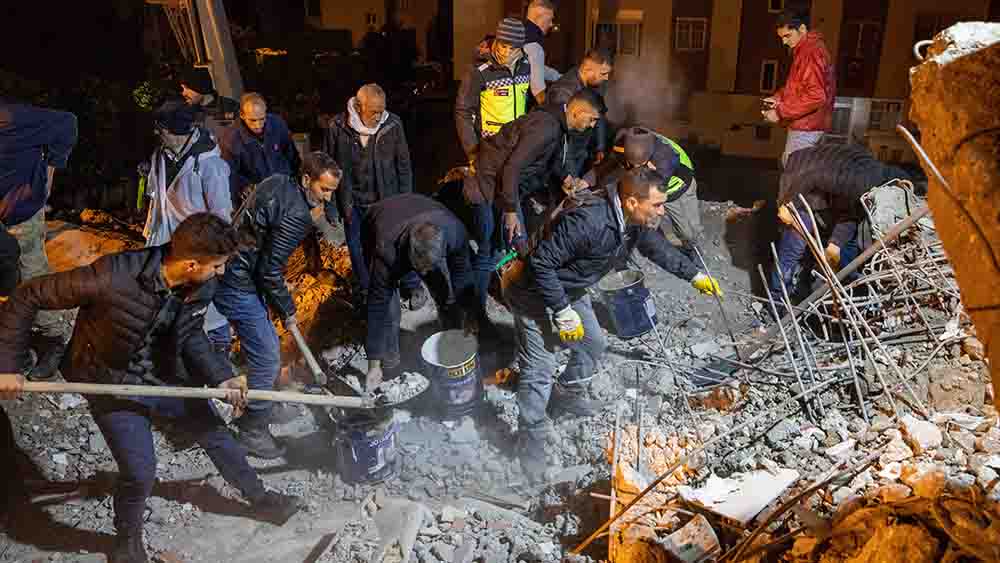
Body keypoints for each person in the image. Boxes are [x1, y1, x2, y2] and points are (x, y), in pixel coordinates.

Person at [0, 214, 303, 563]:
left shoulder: (200, 285)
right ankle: (126, 541)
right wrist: (7, 365)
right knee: (140, 471)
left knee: (217, 434)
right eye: (217, 266)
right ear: (191, 264)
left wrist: (223, 376)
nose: (221, 272)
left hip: (163, 377)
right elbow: (28, 295)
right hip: (109, 382)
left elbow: (190, 334)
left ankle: (260, 498)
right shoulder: (112, 276)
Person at [500, 168, 722, 481]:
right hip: (532, 290)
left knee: (593, 344)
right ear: (632, 202)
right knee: (540, 369)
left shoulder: (632, 218)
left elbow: (654, 246)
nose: (662, 211)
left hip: (570, 286)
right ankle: (530, 448)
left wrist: (693, 274)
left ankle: (566, 395)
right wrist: (562, 311)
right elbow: (541, 263)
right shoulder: (588, 222)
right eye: (657, 205)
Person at [214, 151, 339, 459]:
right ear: (306, 180)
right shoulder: (297, 215)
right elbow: (269, 271)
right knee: (269, 358)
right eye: (324, 190)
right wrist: (287, 309)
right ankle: (253, 429)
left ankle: (262, 402)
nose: (327, 198)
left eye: (332, 191)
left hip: (233, 266)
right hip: (239, 283)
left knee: (264, 344)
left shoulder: (276, 181)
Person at [442, 91, 601, 318]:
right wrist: (509, 210)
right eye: (592, 119)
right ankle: (477, 312)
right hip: (488, 183)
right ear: (577, 112)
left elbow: (551, 158)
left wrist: (566, 178)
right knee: (493, 248)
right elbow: (512, 167)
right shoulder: (546, 128)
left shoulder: (557, 123)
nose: (592, 125)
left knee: (506, 244)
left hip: (503, 186)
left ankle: (509, 291)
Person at [142, 99, 234, 352]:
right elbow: (155, 198)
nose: (157, 133)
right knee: (171, 309)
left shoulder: (210, 165)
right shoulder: (161, 156)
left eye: (161, 129)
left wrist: (219, 257)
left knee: (207, 311)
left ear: (176, 131)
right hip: (167, 244)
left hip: (198, 250)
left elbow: (221, 214)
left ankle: (220, 352)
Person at [362, 193, 477, 388]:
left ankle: (452, 342)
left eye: (427, 267)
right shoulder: (385, 251)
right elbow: (376, 307)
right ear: (409, 252)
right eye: (419, 267)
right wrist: (373, 364)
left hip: (424, 209)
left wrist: (470, 313)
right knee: (389, 312)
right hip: (377, 220)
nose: (423, 273)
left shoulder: (454, 232)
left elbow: (462, 274)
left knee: (445, 293)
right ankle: (390, 364)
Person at [322, 84, 421, 309]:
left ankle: (412, 284)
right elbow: (329, 167)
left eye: (381, 111)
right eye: (373, 112)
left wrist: (406, 200)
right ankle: (368, 291)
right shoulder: (337, 127)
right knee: (358, 248)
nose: (378, 117)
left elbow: (403, 165)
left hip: (387, 198)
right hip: (353, 201)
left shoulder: (392, 124)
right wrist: (331, 206)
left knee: (399, 243)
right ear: (358, 107)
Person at [770, 143, 905, 306]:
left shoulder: (872, 189)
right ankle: (777, 301)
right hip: (802, 173)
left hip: (826, 182)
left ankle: (801, 288)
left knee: (826, 238)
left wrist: (835, 244)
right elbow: (812, 177)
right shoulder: (864, 181)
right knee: (794, 246)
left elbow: (850, 213)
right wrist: (788, 204)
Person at [0, 101, 78, 382]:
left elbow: (67, 122)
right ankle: (14, 342)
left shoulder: (12, 118)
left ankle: (53, 338)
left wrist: (49, 175)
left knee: (31, 275)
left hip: (21, 211)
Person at [589, 127, 703, 261]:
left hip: (677, 188)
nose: (635, 168)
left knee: (688, 232)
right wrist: (592, 178)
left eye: (639, 165)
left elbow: (653, 193)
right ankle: (643, 250)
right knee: (644, 224)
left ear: (649, 158)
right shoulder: (623, 142)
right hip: (650, 185)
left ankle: (691, 250)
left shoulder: (666, 159)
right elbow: (613, 163)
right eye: (632, 164)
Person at [761, 8, 835, 166]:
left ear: (801, 29)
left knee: (794, 171)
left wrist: (780, 112)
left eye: (787, 36)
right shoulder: (806, 50)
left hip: (807, 127)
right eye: (781, 37)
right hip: (809, 125)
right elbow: (799, 87)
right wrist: (778, 98)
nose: (784, 42)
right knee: (801, 171)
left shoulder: (810, 52)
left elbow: (816, 96)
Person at [455, 18, 532, 169]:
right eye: (503, 46)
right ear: (497, 40)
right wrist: (472, 153)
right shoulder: (479, 71)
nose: (506, 53)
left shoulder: (525, 66)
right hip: (489, 148)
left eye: (513, 49)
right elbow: (463, 112)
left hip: (517, 147)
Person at [219, 92, 302, 204]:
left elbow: (292, 155)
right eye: (252, 120)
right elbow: (230, 174)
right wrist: (244, 187)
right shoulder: (230, 139)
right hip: (256, 197)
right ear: (242, 115)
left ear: (266, 112)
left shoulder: (277, 124)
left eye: (262, 119)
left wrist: (298, 179)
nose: (258, 125)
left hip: (285, 189)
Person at [546, 49, 613, 175]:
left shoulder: (594, 85)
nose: (607, 78)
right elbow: (560, 140)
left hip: (582, 150)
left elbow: (599, 115)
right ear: (588, 70)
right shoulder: (563, 92)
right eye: (603, 73)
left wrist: (600, 146)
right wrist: (569, 175)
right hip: (567, 158)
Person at [178, 66, 239, 137]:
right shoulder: (189, 114)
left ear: (199, 88)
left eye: (186, 88)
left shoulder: (231, 107)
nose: (183, 93)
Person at [523, 0, 558, 104]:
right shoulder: (534, 44)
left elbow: (534, 67)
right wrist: (547, 109)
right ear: (539, 18)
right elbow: (538, 89)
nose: (551, 24)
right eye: (550, 19)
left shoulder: (521, 33)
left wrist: (559, 77)